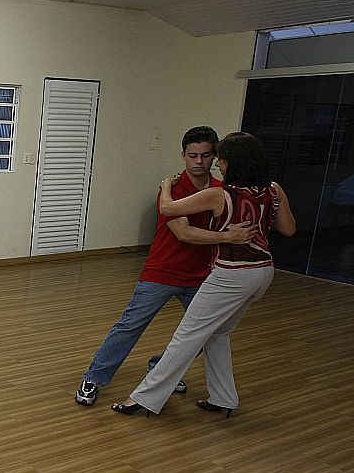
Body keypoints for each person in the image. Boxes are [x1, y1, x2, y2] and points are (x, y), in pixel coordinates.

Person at [112, 132, 296, 417]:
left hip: (231, 275)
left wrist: (166, 186)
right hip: (263, 273)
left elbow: (166, 208)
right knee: (217, 333)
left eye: (219, 160)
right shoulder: (273, 189)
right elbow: (289, 229)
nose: (217, 166)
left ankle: (144, 399)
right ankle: (224, 398)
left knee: (187, 336)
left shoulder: (220, 194)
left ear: (232, 162)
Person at [75, 126, 257, 406]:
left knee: (206, 333)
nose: (198, 161)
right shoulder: (170, 189)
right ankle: (94, 377)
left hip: (203, 276)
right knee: (130, 325)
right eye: (192, 155)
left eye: (206, 156)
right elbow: (183, 232)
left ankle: (160, 367)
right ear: (183, 155)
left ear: (214, 157)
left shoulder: (224, 192)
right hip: (162, 271)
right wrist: (227, 236)